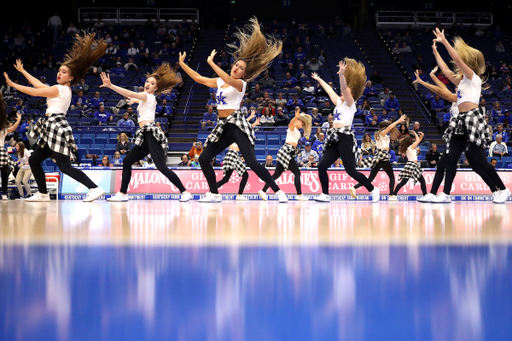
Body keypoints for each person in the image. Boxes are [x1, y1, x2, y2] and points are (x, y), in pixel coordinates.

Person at [178, 17, 288, 203]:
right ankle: (214, 193)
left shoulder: (240, 84)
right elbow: (198, 78)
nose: (237, 68)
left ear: (245, 73)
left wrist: (212, 63)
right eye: (236, 65)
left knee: (252, 163)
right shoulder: (220, 80)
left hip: (236, 125)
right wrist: (182, 64)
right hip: (222, 126)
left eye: (241, 68)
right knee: (204, 158)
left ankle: (278, 191)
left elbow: (228, 80)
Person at [4, 35, 107, 202]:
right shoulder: (59, 89)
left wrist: (13, 84)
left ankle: (95, 188)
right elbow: (38, 85)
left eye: (64, 72)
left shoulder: (60, 89)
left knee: (64, 166)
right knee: (35, 160)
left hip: (56, 126)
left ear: (71, 77)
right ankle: (43, 194)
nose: (60, 73)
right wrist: (23, 71)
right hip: (50, 127)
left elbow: (34, 92)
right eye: (59, 70)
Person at [427, 29, 509, 203]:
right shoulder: (462, 81)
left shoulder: (474, 78)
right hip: (460, 121)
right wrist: (435, 52)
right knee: (452, 157)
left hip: (472, 118)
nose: (460, 65)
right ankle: (446, 195)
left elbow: (456, 59)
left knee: (479, 160)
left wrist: (444, 41)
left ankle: (503, 189)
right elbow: (445, 70)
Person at [103, 63, 192, 202]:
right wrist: (134, 100)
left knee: (161, 167)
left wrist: (110, 85)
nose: (148, 84)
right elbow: (138, 99)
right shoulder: (145, 98)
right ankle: (122, 193)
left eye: (152, 83)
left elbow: (128, 93)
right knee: (127, 161)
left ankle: (185, 192)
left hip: (150, 133)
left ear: (156, 87)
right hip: (144, 134)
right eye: (147, 81)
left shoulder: (148, 96)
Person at [311, 59, 380, 203]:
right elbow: (329, 90)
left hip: (345, 137)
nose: (342, 93)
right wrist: (319, 79)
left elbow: (344, 89)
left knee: (351, 171)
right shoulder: (339, 103)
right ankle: (325, 194)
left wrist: (342, 75)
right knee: (322, 165)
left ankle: (373, 190)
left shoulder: (351, 104)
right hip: (334, 138)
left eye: (345, 92)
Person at [259, 107, 312, 201]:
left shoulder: (298, 131)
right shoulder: (293, 128)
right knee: (297, 173)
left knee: (276, 175)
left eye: (304, 123)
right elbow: (290, 124)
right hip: (286, 151)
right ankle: (299, 195)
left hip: (289, 152)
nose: (302, 124)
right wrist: (295, 118)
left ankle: (263, 190)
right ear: (298, 121)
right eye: (301, 122)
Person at [351, 116, 406, 200]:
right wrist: (398, 121)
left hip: (378, 157)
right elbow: (390, 127)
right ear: (385, 127)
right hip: (383, 156)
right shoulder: (382, 133)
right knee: (391, 177)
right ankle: (391, 196)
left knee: (370, 179)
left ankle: (354, 187)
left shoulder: (380, 134)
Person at [391, 131, 428, 198]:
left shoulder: (408, 148)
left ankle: (394, 194)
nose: (412, 140)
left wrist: (420, 135)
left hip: (411, 165)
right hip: (412, 165)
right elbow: (418, 140)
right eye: (411, 140)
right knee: (422, 181)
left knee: (403, 182)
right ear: (409, 141)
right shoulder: (410, 147)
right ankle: (425, 195)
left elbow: (418, 140)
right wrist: (415, 133)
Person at [0, 98, 20, 200]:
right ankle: (4, 195)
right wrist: (19, 120)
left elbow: (13, 128)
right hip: (2, 152)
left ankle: (4, 194)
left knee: (5, 174)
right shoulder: (4, 130)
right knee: (5, 175)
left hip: (2, 151)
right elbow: (14, 127)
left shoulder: (3, 130)